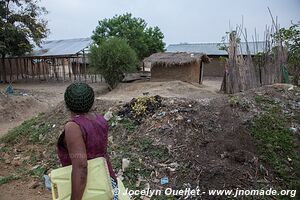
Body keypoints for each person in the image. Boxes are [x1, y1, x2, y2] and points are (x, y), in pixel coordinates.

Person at [57, 82, 118, 200]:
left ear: (67, 103)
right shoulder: (100, 120)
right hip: (106, 180)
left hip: (90, 189)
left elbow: (81, 167)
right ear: (92, 101)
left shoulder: (73, 127)